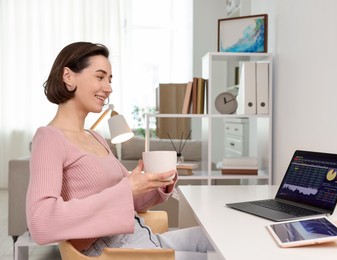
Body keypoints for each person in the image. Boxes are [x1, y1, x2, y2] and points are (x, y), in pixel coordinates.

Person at [26, 42, 213, 259]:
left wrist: (154, 183)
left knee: (219, 236)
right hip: (117, 250)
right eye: (100, 77)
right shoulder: (49, 139)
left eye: (110, 79)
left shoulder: (95, 137)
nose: (108, 88)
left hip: (142, 236)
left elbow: (127, 200)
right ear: (68, 76)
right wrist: (127, 189)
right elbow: (41, 222)